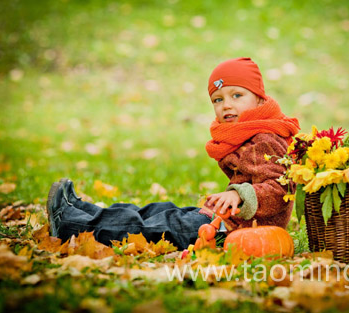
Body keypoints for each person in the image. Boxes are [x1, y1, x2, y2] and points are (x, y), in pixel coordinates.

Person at [46, 57, 300, 250]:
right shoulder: (250, 133)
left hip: (239, 233)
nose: (227, 105)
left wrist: (239, 195)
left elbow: (280, 189)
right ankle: (83, 210)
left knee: (155, 226)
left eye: (237, 95)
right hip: (225, 220)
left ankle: (72, 225)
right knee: (158, 210)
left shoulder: (266, 138)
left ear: (258, 99)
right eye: (218, 99)